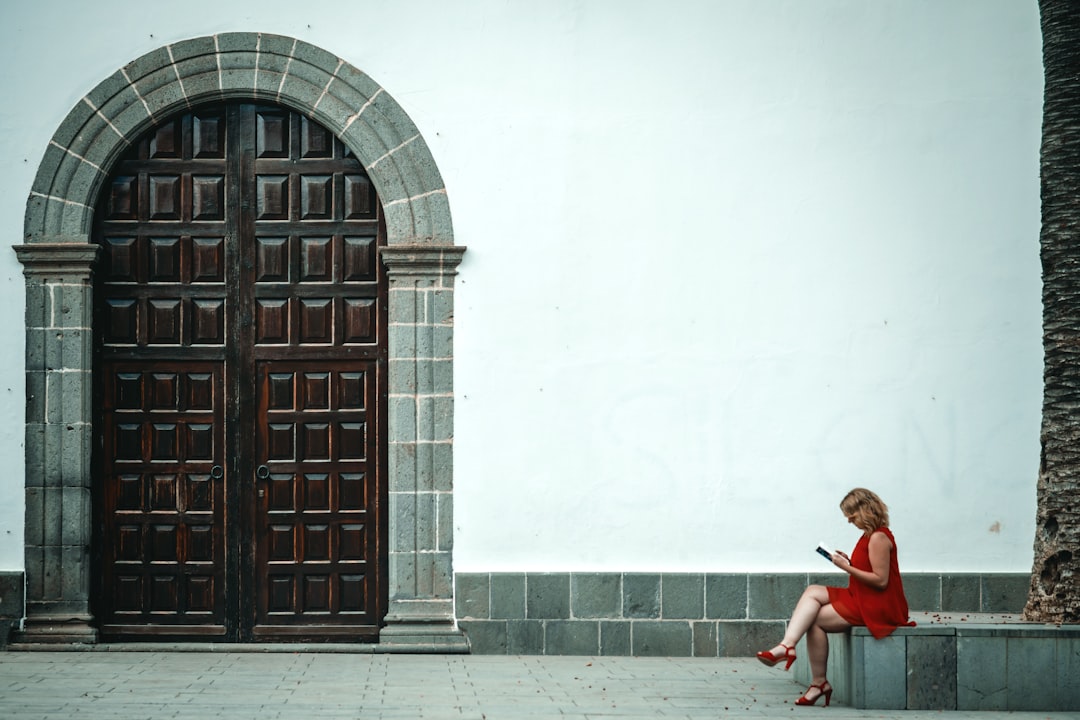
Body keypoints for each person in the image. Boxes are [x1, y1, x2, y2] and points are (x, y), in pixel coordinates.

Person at [754, 487, 914, 707]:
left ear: (866, 509)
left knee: (816, 620)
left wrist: (846, 568)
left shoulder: (878, 538)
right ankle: (787, 646)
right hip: (861, 595)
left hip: (877, 604)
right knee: (812, 591)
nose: (849, 520)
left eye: (852, 514)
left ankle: (817, 681)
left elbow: (881, 581)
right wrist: (849, 563)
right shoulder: (870, 536)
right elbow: (871, 570)